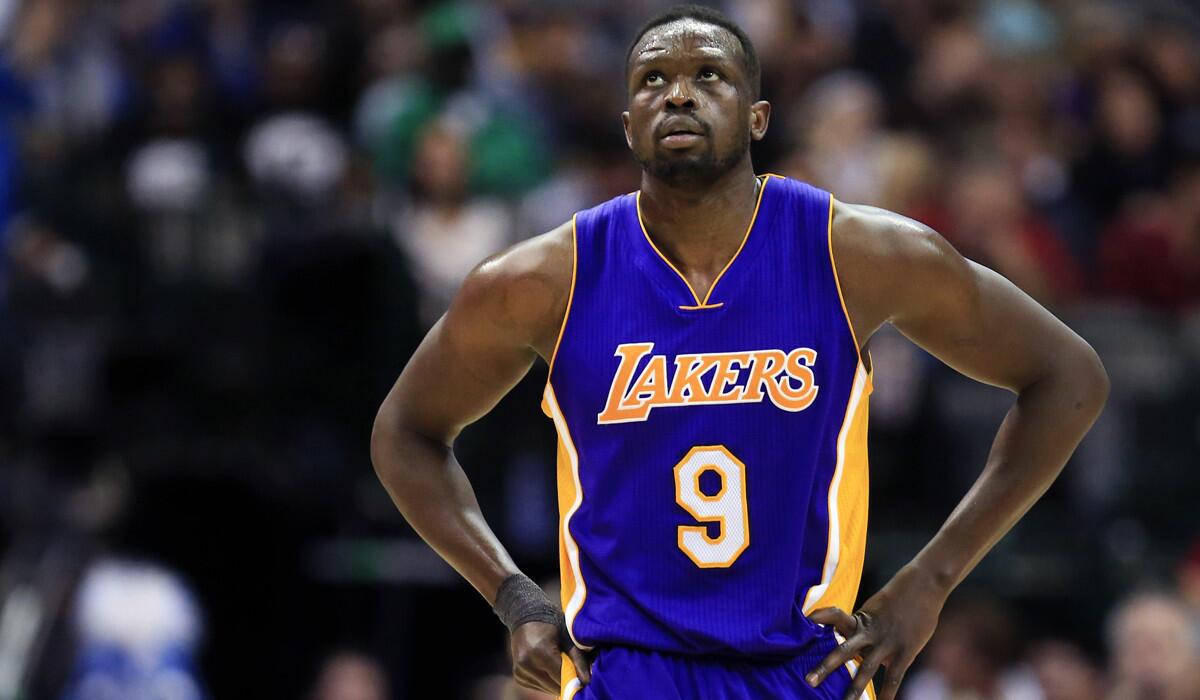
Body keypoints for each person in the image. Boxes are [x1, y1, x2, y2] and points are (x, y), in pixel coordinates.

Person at [370, 6, 1108, 700]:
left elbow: (1068, 378)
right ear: (628, 126)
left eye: (709, 76)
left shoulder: (858, 254)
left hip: (805, 668)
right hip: (624, 672)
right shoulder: (541, 281)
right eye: (653, 81)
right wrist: (515, 597)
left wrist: (931, 578)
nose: (679, 94)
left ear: (757, 118)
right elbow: (404, 432)